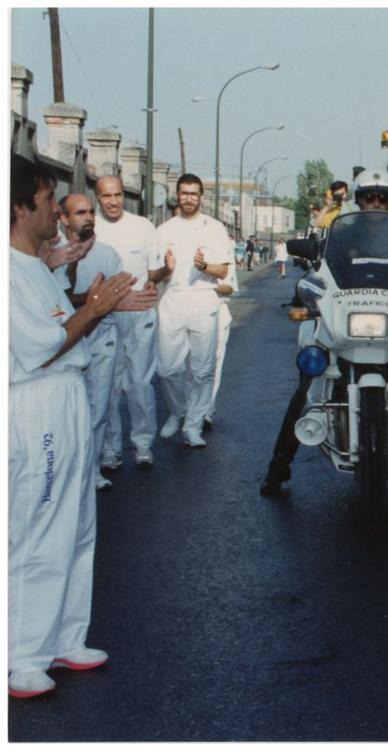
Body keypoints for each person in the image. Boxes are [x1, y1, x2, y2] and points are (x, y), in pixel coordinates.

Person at [9, 157, 132, 698]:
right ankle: (22, 655)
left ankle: (64, 637)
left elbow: (61, 319)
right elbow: (41, 346)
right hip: (37, 407)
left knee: (77, 523)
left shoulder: (34, 263)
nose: (56, 213)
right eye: (45, 202)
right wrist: (98, 308)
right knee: (38, 527)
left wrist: (100, 304)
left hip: (66, 397)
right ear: (17, 209)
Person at [56, 194, 157, 490]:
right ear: (64, 219)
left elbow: (114, 299)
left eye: (89, 212)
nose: (87, 217)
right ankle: (71, 468)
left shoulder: (108, 253)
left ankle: (95, 465)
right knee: (73, 408)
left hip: (103, 336)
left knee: (101, 403)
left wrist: (114, 305)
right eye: (79, 213)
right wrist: (90, 301)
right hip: (66, 340)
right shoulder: (53, 252)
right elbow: (63, 299)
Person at [150, 174, 233, 448]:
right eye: (184, 193)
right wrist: (167, 268)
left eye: (193, 193)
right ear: (177, 194)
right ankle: (177, 412)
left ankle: (194, 425)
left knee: (202, 369)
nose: (188, 198)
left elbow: (224, 270)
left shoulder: (215, 228)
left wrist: (204, 266)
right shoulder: (163, 230)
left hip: (203, 298)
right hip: (173, 299)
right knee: (166, 367)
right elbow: (154, 274)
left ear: (201, 196)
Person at [94, 175, 162, 470]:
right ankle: (110, 449)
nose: (113, 201)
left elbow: (156, 270)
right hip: (104, 316)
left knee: (139, 382)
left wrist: (153, 283)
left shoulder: (143, 227)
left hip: (139, 313)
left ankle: (143, 444)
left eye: (118, 195)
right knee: (106, 385)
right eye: (107, 196)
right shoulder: (90, 228)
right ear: (97, 197)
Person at [205, 261, 239, 430]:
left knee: (213, 366)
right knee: (180, 368)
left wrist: (201, 288)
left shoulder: (222, 250)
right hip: (183, 313)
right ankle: (187, 408)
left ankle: (206, 411)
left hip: (217, 314)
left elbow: (229, 288)